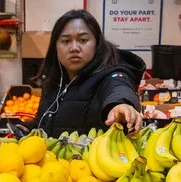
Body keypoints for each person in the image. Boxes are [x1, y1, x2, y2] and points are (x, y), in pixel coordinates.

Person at [30, 9, 145, 137]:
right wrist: (27, 128)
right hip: (50, 156)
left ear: (97, 44)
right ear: (55, 46)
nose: (74, 48)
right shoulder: (54, 81)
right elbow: (45, 123)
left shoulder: (111, 76)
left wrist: (121, 105)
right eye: (66, 41)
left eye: (83, 40)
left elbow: (118, 88)